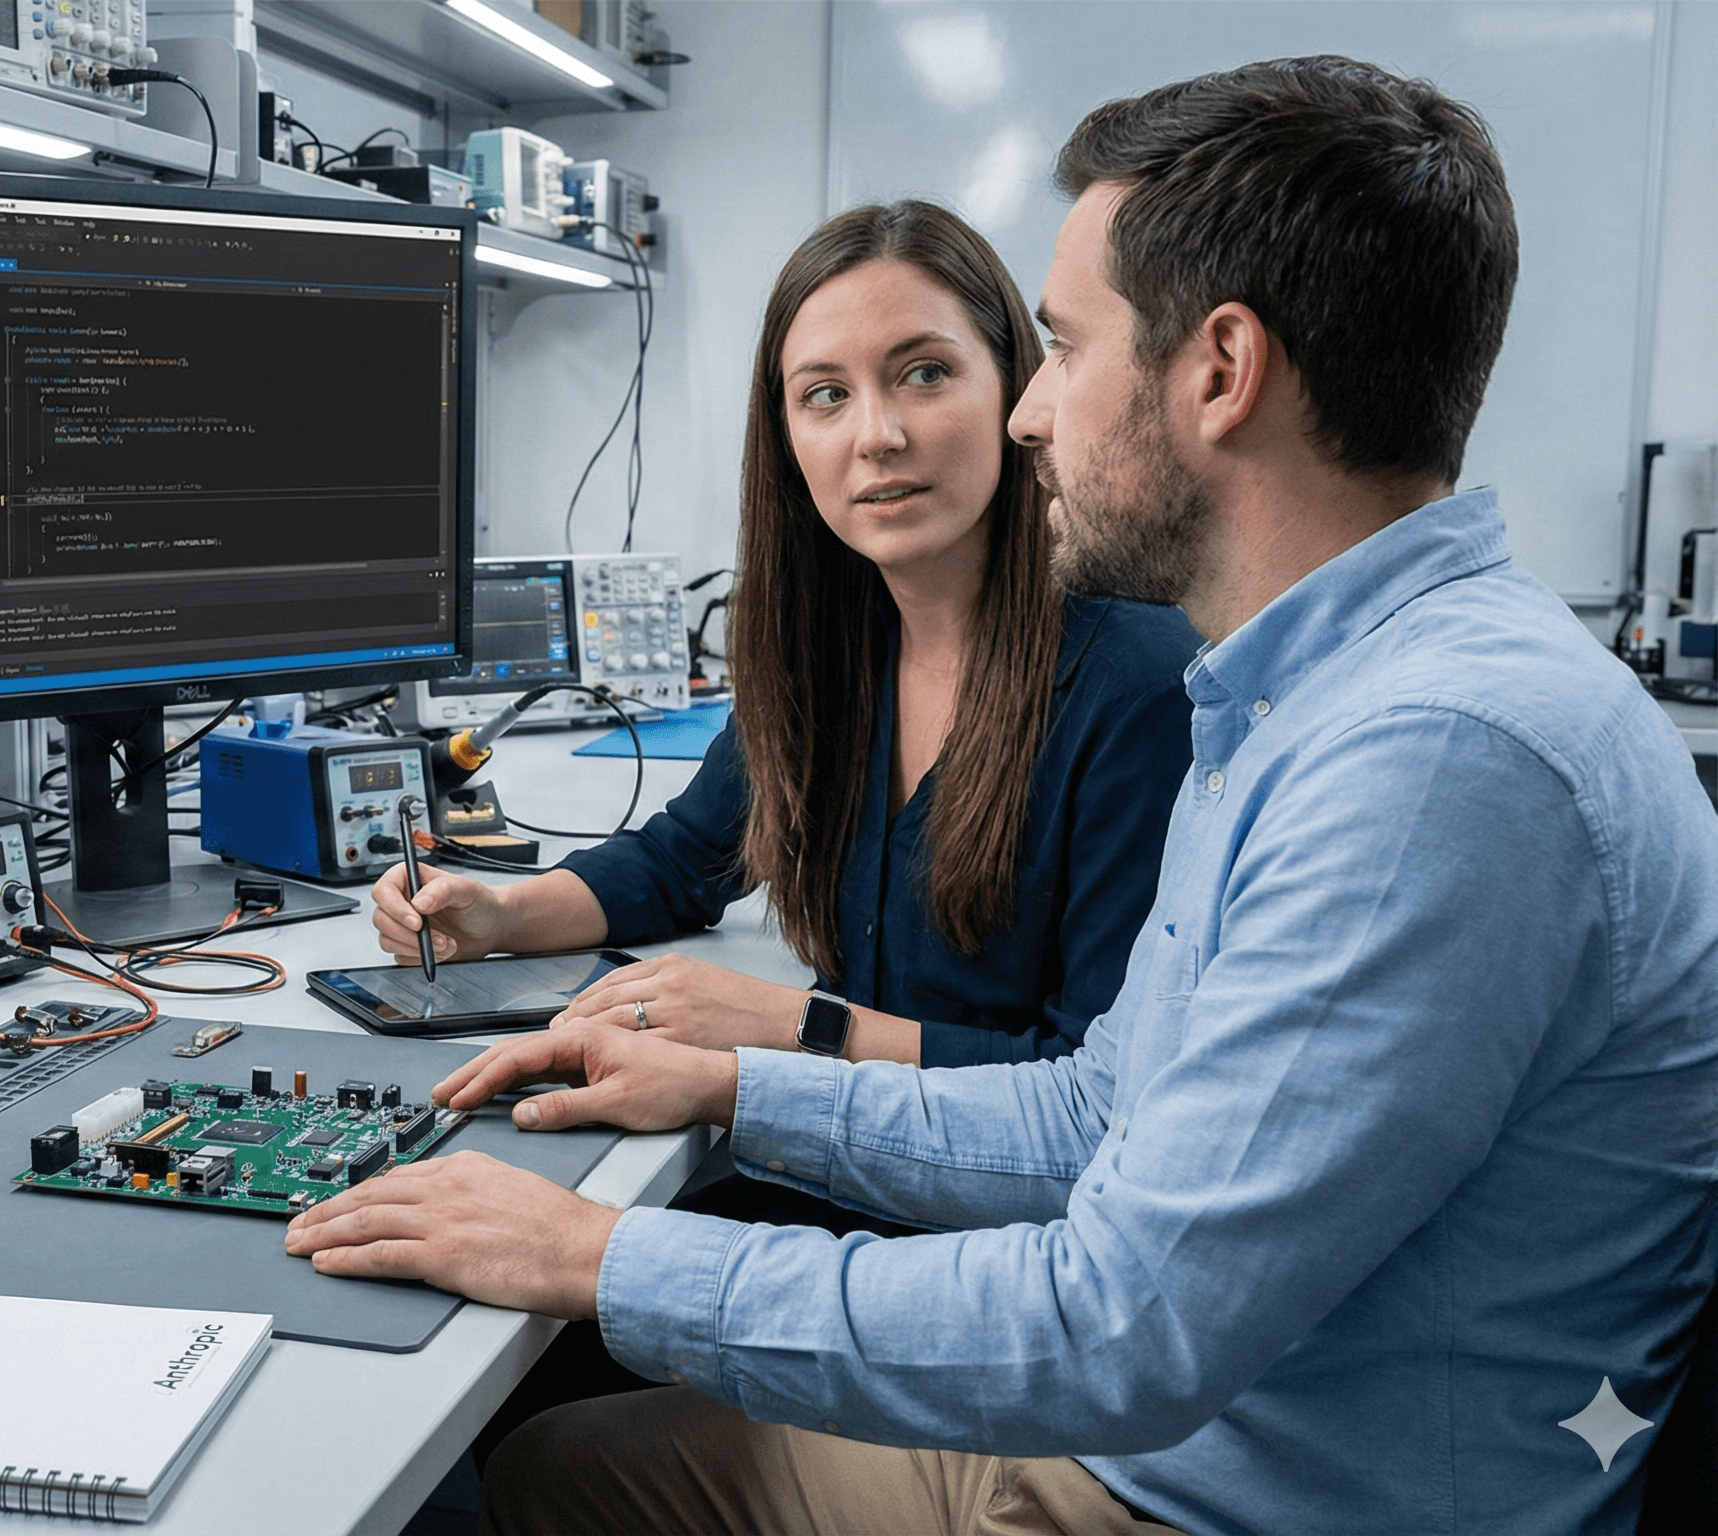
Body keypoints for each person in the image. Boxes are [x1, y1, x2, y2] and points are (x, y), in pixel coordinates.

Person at [293, 55, 1718, 1534]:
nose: (1032, 413)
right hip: (1214, 1437)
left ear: (1220, 372)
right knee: (545, 1445)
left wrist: (596, 1255)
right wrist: (741, 1089)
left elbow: (1120, 1325)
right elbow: (1108, 1113)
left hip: (1221, 1495)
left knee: (497, 1483)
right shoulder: (1316, 695)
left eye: (1061, 348)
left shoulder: (1434, 759)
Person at [372, 200, 1197, 1078]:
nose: (877, 437)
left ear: (1014, 386)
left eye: (924, 373)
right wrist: (502, 916)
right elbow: (685, 859)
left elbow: (1087, 1091)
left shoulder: (1136, 685)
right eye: (826, 395)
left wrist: (796, 1023)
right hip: (836, 1142)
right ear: (788, 436)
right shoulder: (827, 649)